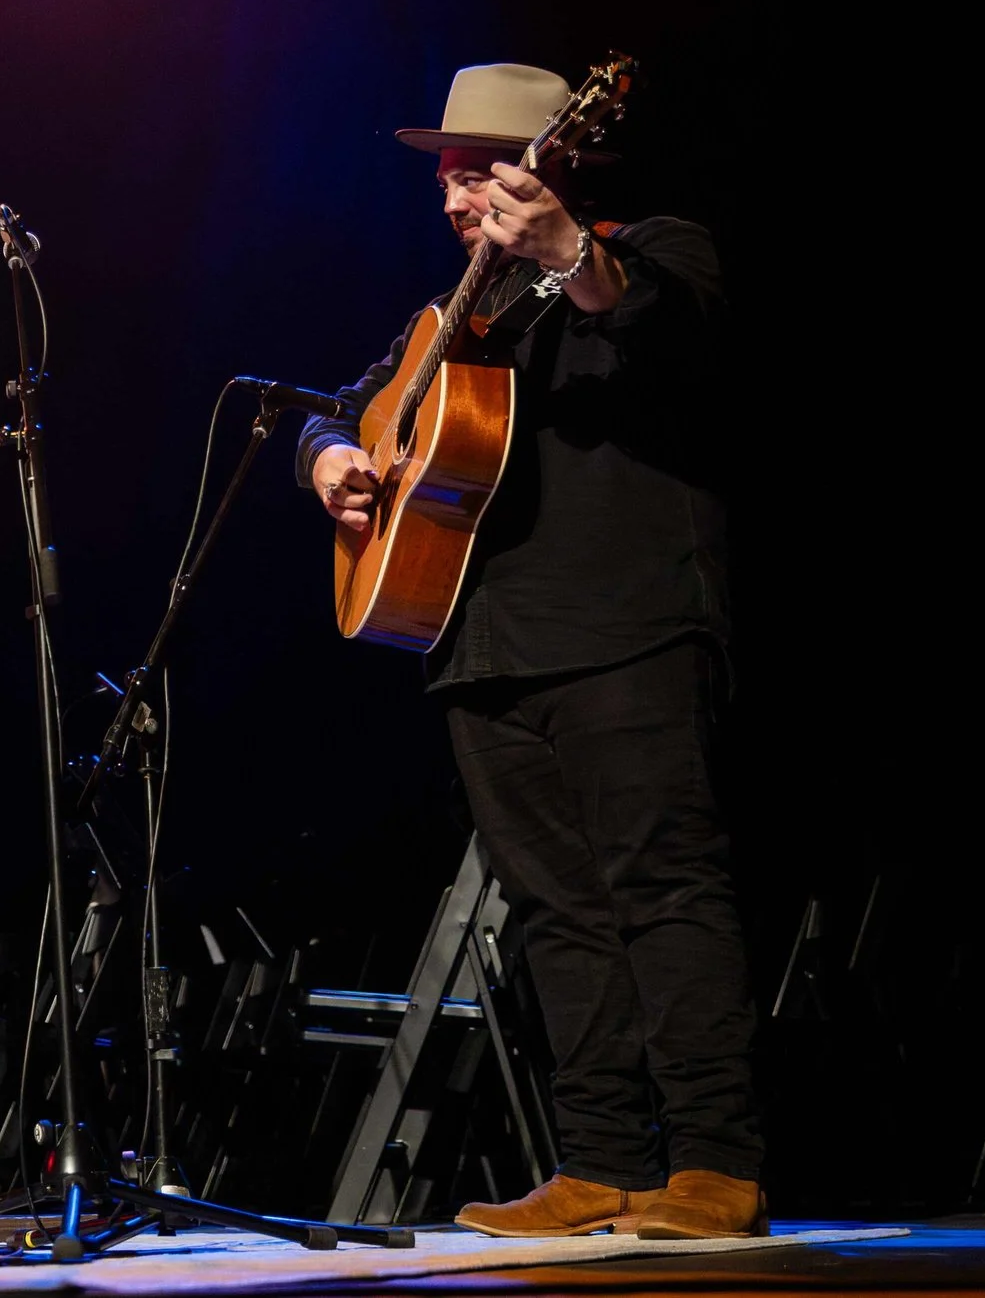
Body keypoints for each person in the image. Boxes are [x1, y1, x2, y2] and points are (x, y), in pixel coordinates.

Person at [300, 64, 764, 1240]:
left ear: (551, 161)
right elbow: (345, 403)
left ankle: (714, 1160)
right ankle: (601, 1160)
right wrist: (327, 459)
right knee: (554, 910)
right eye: (447, 177)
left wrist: (570, 252)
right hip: (478, 642)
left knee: (663, 886)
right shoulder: (454, 317)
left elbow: (661, 326)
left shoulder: (652, 251)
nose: (456, 197)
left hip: (626, 624)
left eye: (478, 172)